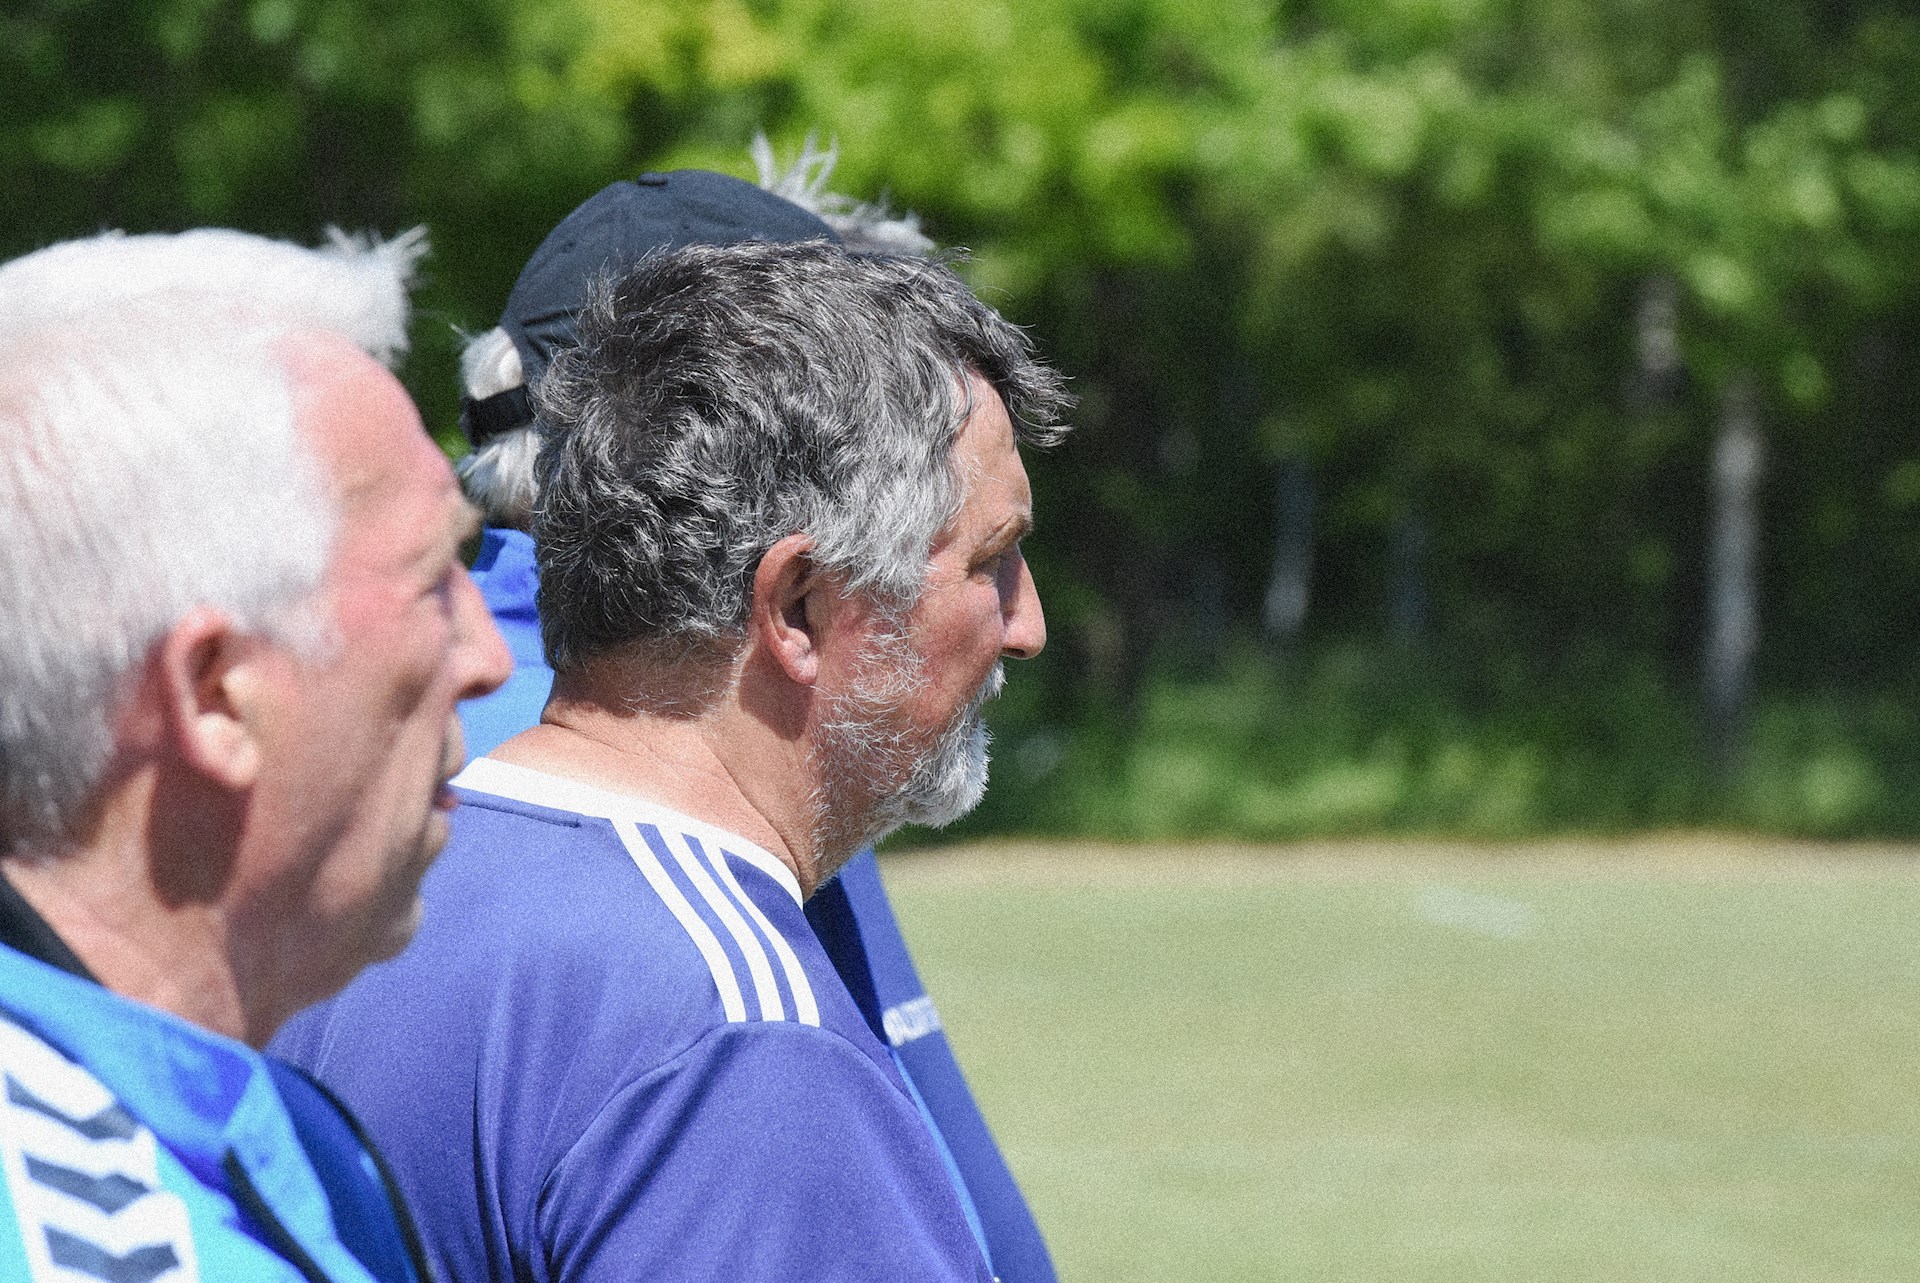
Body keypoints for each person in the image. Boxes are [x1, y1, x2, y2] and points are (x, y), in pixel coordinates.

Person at [272, 238, 1071, 1282]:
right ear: (798, 606)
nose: (1027, 625)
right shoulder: (743, 1043)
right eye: (989, 560)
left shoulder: (366, 900)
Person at [0, 227, 511, 1281]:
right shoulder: (107, 1248)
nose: (490, 658)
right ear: (216, 693)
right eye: (432, 581)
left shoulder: (244, 1119)